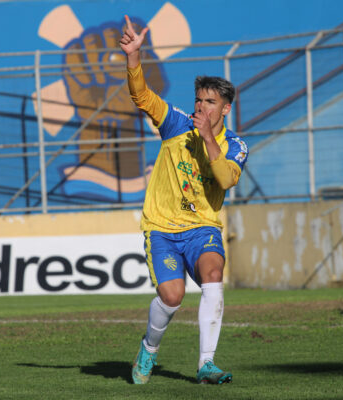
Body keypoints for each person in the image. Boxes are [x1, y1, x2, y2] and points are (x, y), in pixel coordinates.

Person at [119, 15, 248, 384]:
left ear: (225, 109)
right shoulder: (174, 123)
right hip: (161, 227)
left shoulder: (235, 146)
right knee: (172, 296)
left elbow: (225, 179)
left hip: (201, 227)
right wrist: (133, 58)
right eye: (199, 100)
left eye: (211, 102)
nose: (202, 107)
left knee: (213, 273)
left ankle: (206, 363)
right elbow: (141, 96)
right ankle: (149, 348)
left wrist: (208, 139)